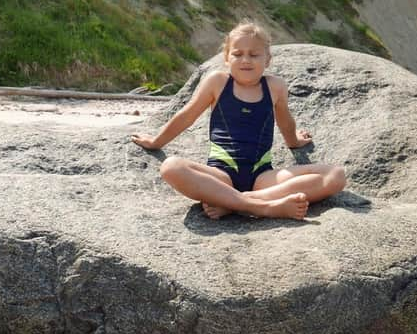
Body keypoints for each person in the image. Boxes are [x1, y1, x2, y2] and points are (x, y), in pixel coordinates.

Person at [131, 21, 346, 220]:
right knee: (171, 167)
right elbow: (187, 115)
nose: (245, 60)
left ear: (267, 59)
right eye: (238, 53)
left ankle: (233, 202)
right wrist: (156, 142)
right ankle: (262, 207)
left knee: (335, 176)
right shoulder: (217, 81)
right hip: (221, 175)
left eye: (254, 54)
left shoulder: (275, 86)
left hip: (262, 177)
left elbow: (285, 122)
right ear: (226, 57)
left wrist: (295, 142)